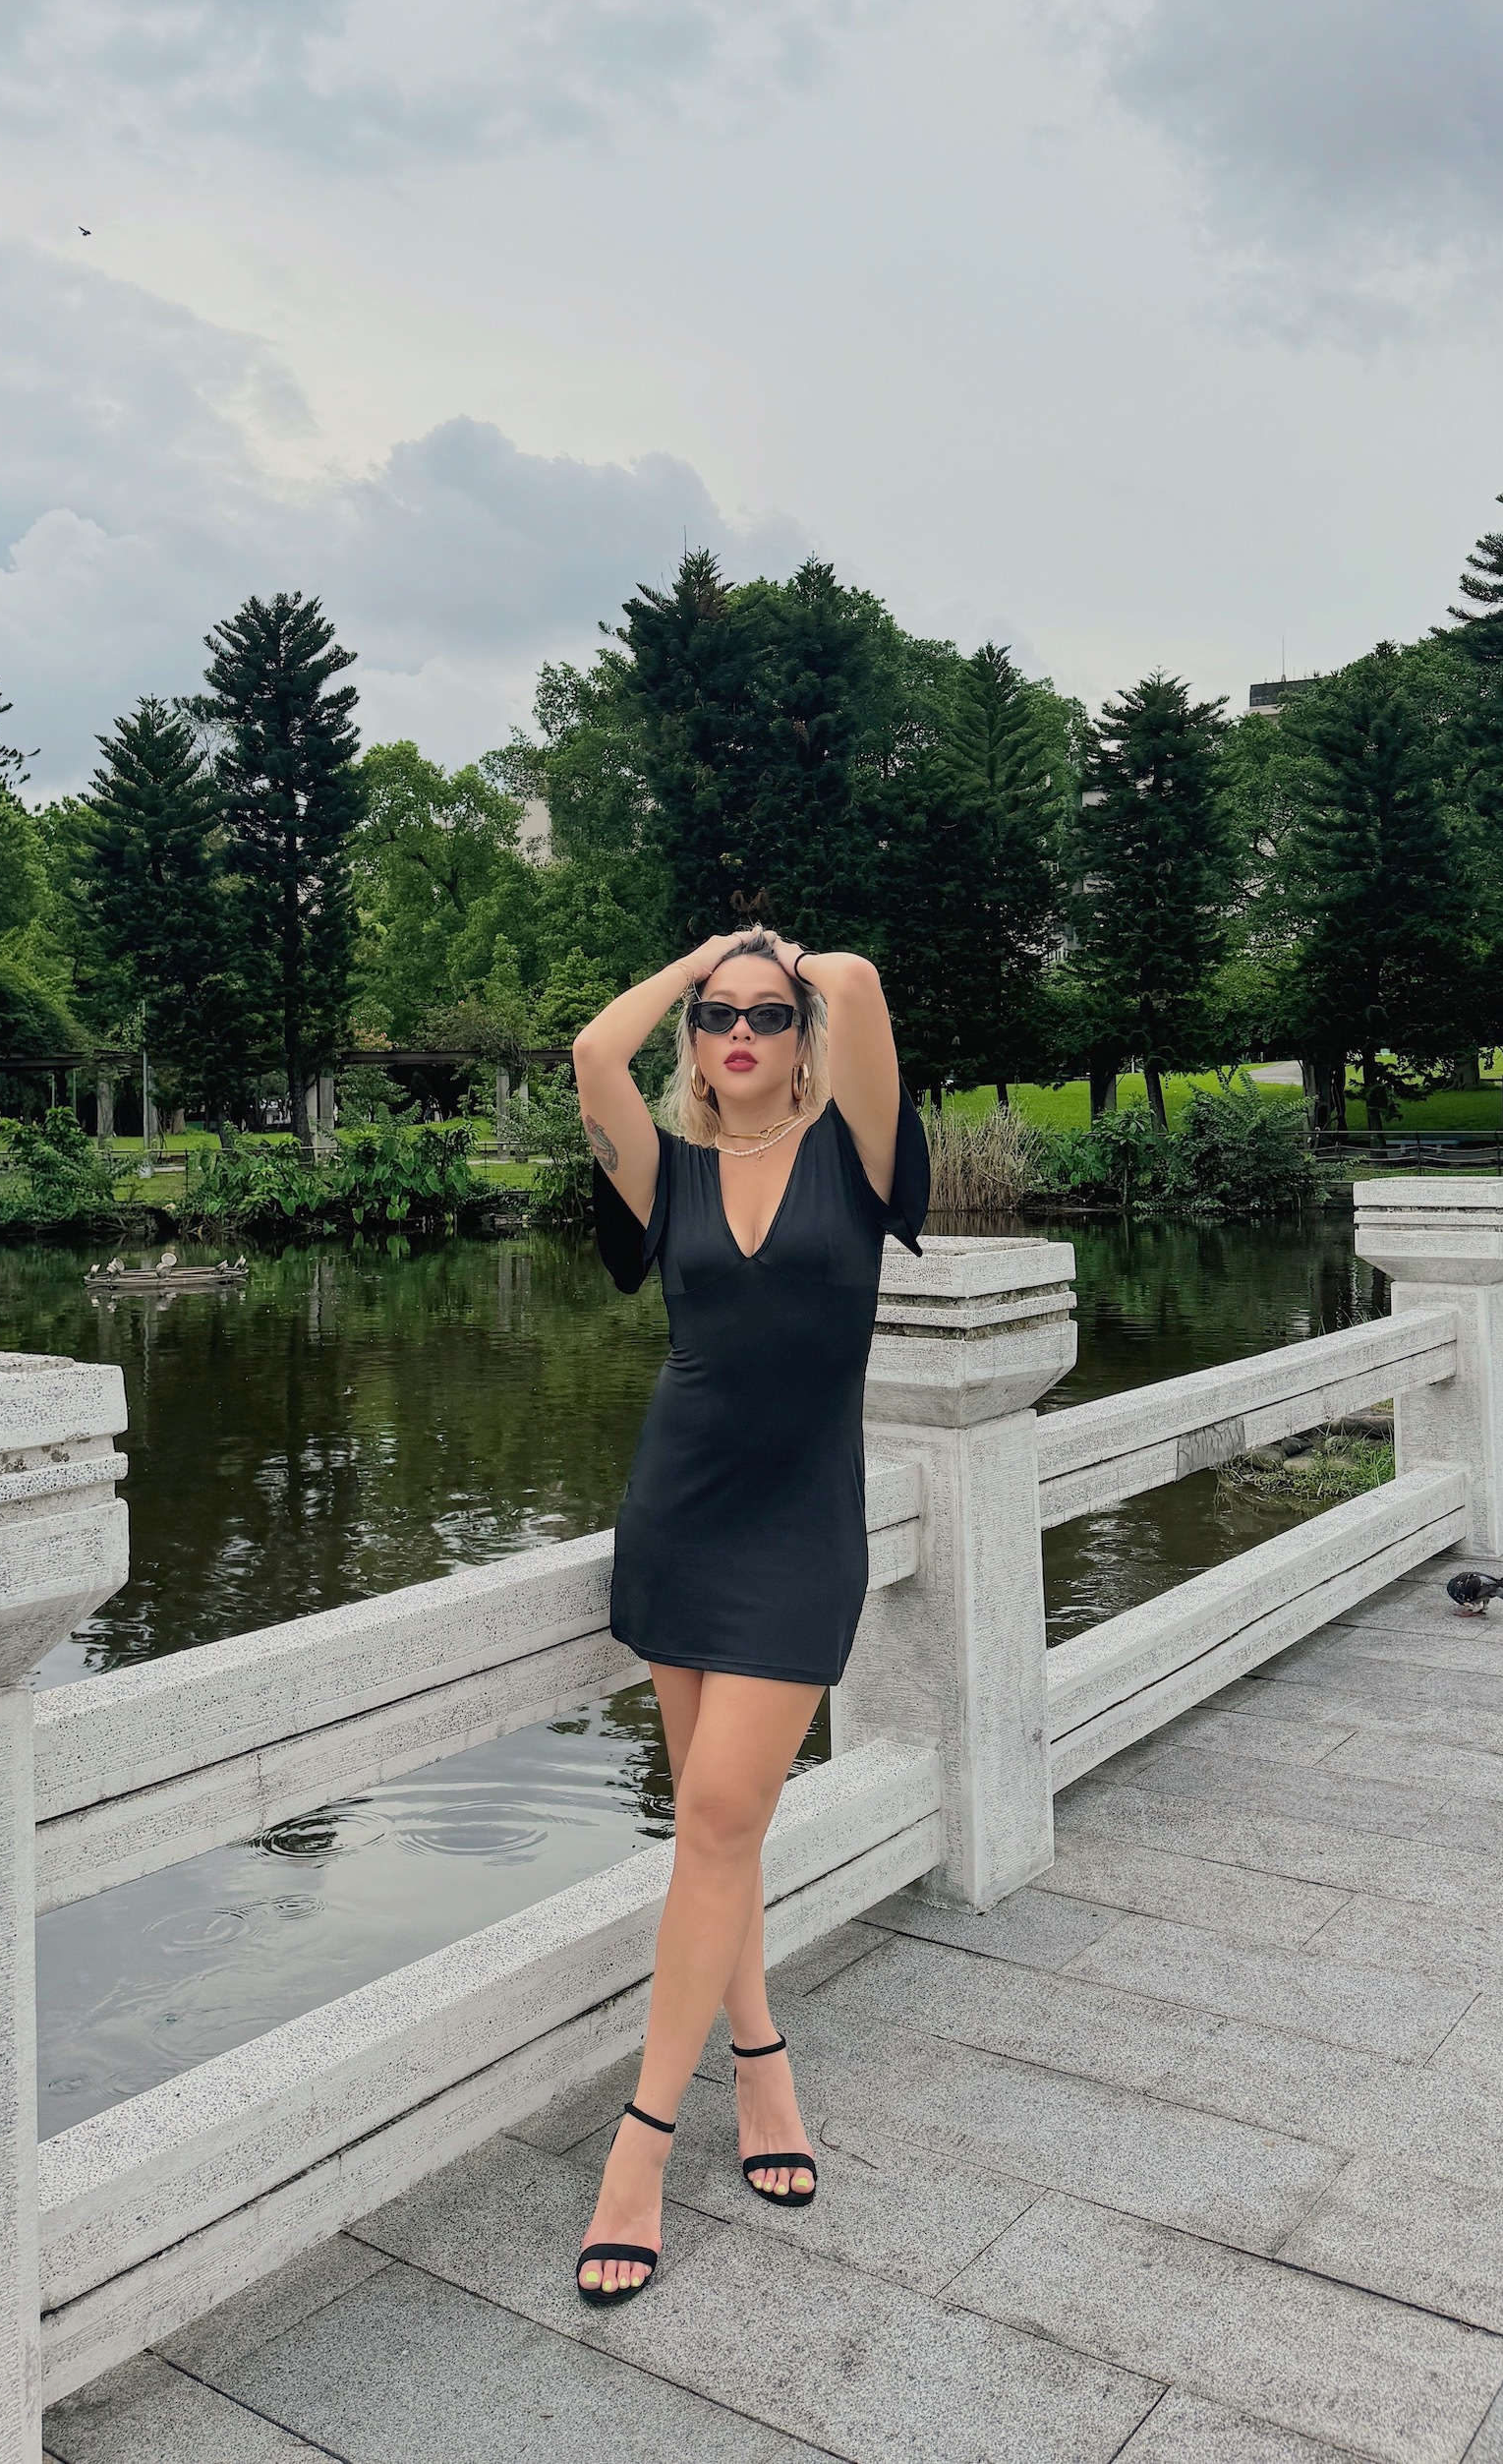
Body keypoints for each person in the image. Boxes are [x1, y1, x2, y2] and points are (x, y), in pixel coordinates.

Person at [568, 925, 929, 2302]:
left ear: (801, 1038)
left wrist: (784, 956)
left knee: (718, 1819)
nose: (740, 1033)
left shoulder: (859, 1154)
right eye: (719, 1016)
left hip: (800, 1533)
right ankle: (761, 2059)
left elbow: (863, 983)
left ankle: (640, 2147)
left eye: (767, 1015)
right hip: (682, 1519)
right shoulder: (668, 1174)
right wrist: (698, 960)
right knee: (719, 1831)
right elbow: (592, 1053)